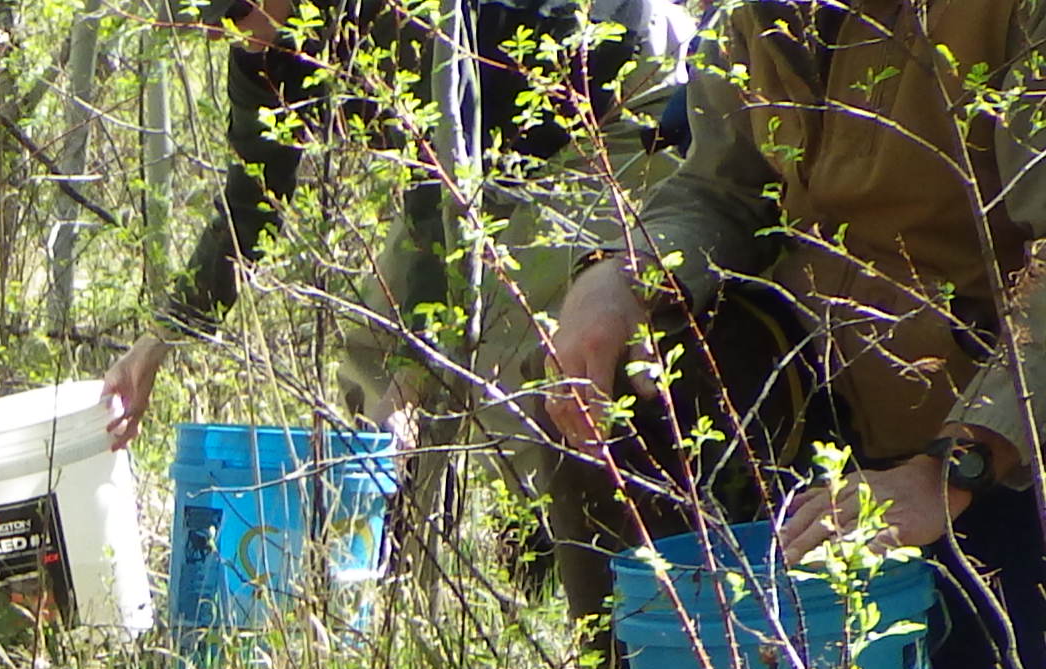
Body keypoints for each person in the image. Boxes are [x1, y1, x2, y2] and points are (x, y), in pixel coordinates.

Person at [544, 0, 1046, 669]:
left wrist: (957, 464)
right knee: (615, 367)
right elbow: (722, 188)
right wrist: (623, 276)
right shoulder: (757, 15)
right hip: (838, 422)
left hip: (1006, 442)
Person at [101, 0, 674, 600]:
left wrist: (415, 375)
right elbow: (252, 198)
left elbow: (438, 192)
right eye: (207, 22)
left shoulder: (400, 14)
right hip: (490, 157)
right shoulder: (261, 52)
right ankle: (375, 582)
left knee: (505, 351)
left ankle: (566, 565)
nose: (231, 32)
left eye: (237, 10)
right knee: (374, 344)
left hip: (607, 103)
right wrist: (159, 340)